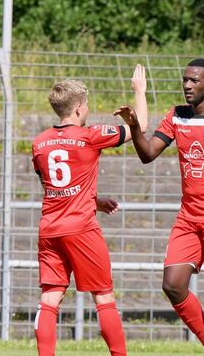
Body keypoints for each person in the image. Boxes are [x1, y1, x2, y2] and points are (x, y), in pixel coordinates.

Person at [114, 58, 204, 356]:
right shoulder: (177, 116)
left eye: (194, 81)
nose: (187, 85)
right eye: (185, 80)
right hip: (188, 218)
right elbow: (148, 154)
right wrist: (133, 126)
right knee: (172, 284)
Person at [31, 65, 148, 356]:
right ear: (80, 108)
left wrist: (95, 200)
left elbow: (57, 186)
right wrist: (139, 91)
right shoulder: (90, 135)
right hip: (81, 228)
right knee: (104, 297)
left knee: (50, 299)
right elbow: (141, 127)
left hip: (50, 229)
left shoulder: (40, 143)